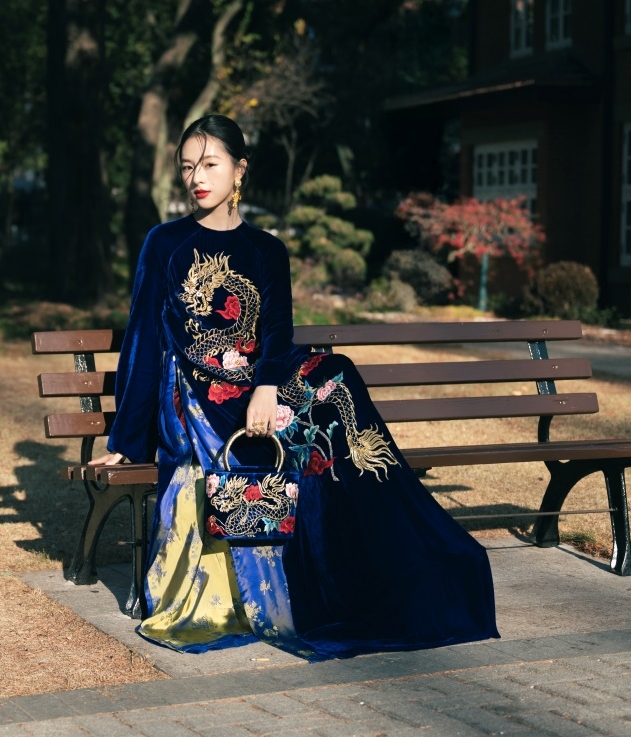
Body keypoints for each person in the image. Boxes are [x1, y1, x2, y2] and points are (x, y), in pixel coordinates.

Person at [90, 114, 498, 660]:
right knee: (307, 405)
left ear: (240, 170)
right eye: (188, 167)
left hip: (261, 391)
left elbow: (277, 332)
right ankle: (311, 576)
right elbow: (143, 338)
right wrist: (125, 439)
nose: (197, 178)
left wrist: (265, 388)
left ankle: (385, 560)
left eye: (210, 164)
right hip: (201, 398)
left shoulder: (266, 249)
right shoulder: (164, 243)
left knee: (337, 376)